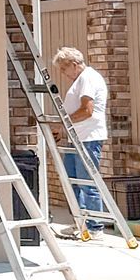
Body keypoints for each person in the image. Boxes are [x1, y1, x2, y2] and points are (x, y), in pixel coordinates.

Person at [52, 45, 110, 228]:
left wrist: (63, 124)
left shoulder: (88, 78)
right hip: (77, 137)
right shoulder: (81, 80)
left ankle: (94, 227)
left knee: (87, 182)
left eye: (64, 68)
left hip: (88, 137)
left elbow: (87, 110)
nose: (63, 74)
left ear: (74, 64)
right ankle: (81, 223)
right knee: (73, 181)